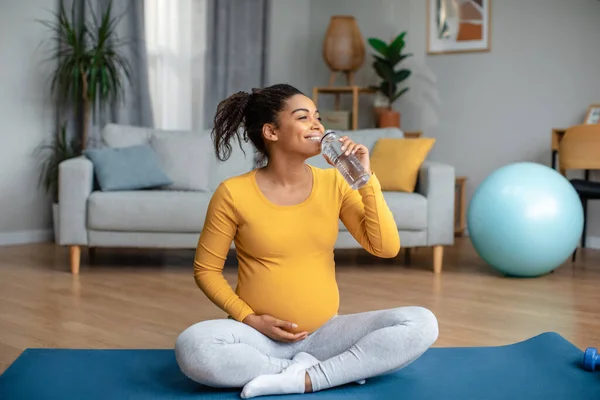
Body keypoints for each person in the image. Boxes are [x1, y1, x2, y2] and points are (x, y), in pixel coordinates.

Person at [174, 84, 439, 398]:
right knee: (193, 346)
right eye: (303, 117)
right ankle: (327, 371)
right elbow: (206, 271)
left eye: (318, 117)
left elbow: (385, 247)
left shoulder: (334, 183)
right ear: (271, 132)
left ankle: (304, 379)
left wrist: (365, 180)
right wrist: (251, 319)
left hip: (326, 334)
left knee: (422, 323)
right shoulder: (232, 193)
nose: (317, 125)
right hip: (257, 337)